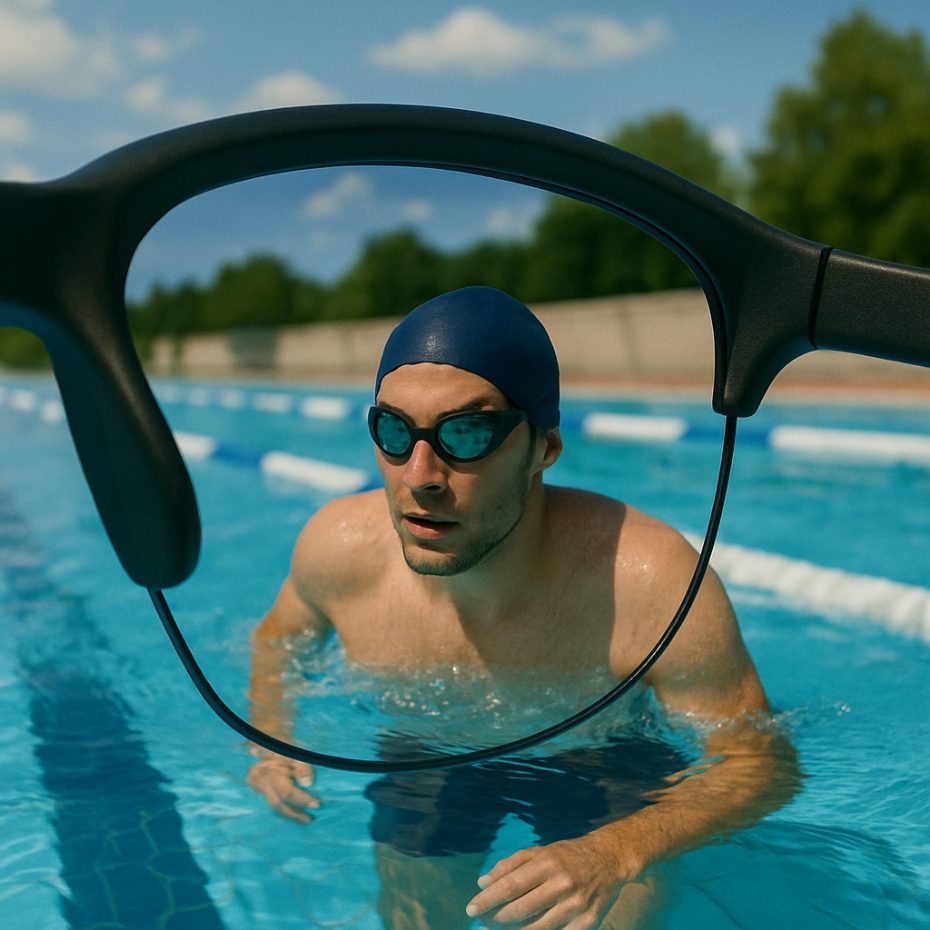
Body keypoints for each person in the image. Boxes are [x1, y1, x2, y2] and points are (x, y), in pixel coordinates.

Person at [246, 286, 799, 929]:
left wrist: (615, 850)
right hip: (428, 748)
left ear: (544, 448)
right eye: (395, 431)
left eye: (468, 432)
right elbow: (277, 641)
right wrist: (274, 740)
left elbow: (759, 763)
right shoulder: (336, 549)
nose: (418, 474)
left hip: (602, 761)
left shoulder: (650, 583)